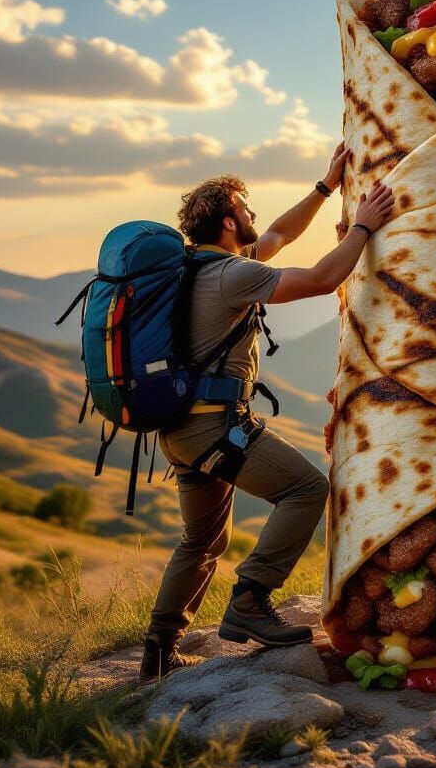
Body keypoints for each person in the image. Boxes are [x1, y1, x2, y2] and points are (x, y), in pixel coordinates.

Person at [139, 143, 395, 684]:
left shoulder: (192, 269)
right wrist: (363, 228)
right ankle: (251, 598)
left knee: (202, 541)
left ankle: (157, 652)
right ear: (231, 221)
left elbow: (277, 236)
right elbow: (325, 278)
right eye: (247, 210)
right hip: (215, 426)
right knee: (305, 489)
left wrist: (325, 188)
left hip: (178, 430)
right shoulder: (232, 276)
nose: (256, 218)